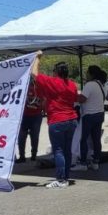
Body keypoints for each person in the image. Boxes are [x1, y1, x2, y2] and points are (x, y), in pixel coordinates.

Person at [31, 59, 79, 189]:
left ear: (56, 72)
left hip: (58, 120)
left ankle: (60, 179)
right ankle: (66, 177)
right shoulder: (73, 85)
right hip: (72, 120)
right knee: (67, 150)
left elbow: (34, 73)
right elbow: (75, 98)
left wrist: (37, 58)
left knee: (58, 151)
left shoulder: (52, 82)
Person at [76, 65, 107, 171]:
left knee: (83, 139)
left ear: (91, 74)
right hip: (100, 114)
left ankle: (83, 163)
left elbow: (82, 99)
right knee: (96, 140)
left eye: (87, 73)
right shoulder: (101, 85)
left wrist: (74, 96)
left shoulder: (89, 85)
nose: (86, 75)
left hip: (89, 115)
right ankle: (96, 162)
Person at [17, 77, 44, 163]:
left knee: (34, 136)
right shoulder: (22, 88)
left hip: (36, 116)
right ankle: (22, 156)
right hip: (24, 116)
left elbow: (44, 100)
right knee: (22, 137)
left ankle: (33, 155)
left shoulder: (39, 88)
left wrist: (42, 109)